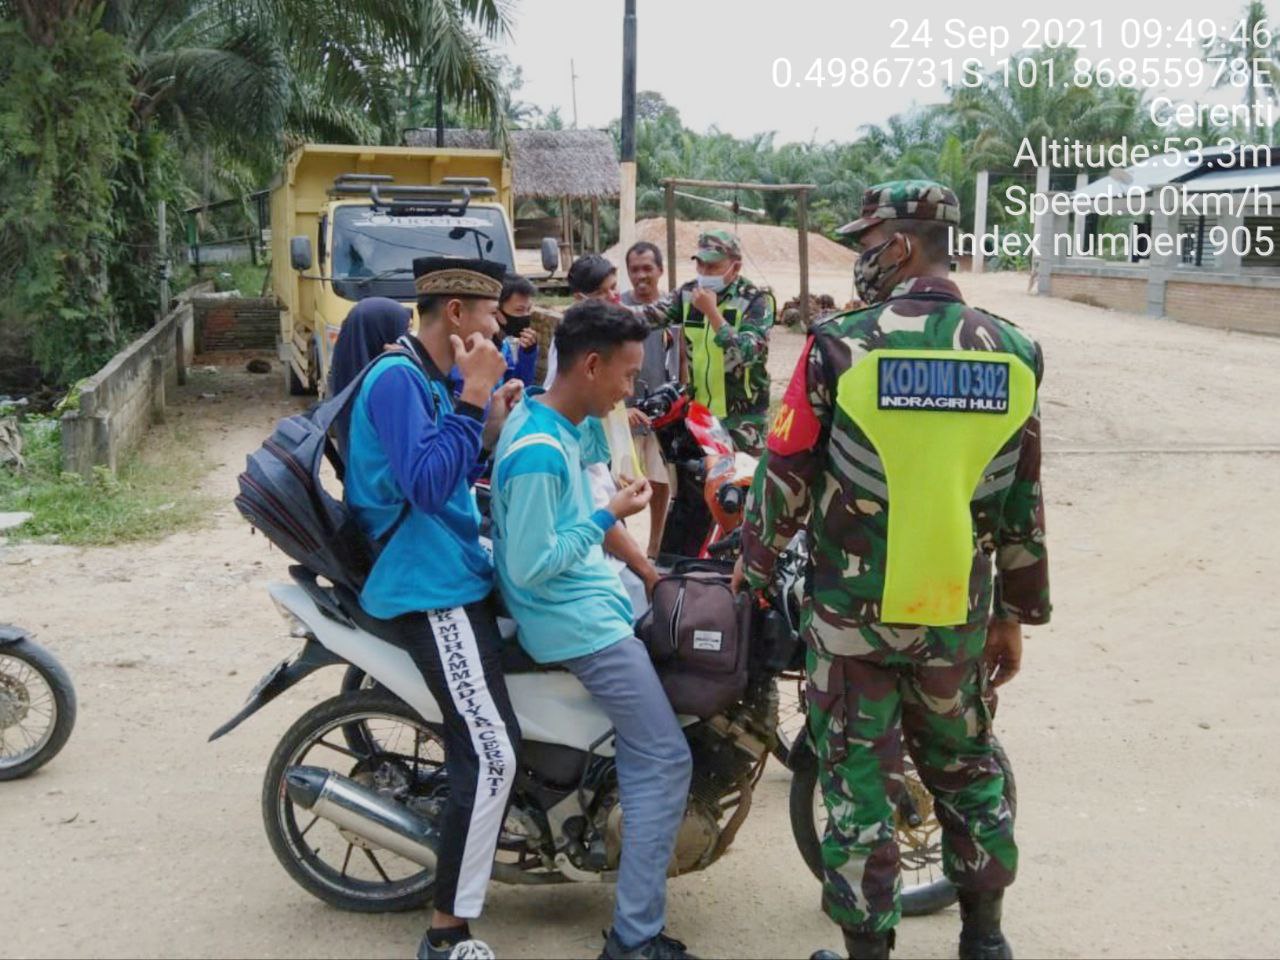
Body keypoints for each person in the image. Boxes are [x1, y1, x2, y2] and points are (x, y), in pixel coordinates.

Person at [735, 181, 1050, 960]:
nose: (864, 260)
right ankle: (984, 940)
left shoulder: (841, 344)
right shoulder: (1014, 351)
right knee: (967, 772)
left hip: (854, 622)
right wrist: (1015, 614)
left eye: (869, 243)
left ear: (903, 245)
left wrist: (755, 566)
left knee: (856, 787)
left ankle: (868, 953)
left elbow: (785, 472)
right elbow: (1021, 499)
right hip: (954, 613)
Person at [490, 299, 695, 960]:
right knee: (665, 757)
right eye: (627, 376)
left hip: (594, 602)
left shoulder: (556, 421)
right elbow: (530, 563)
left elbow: (587, 488)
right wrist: (605, 514)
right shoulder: (536, 452)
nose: (630, 390)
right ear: (590, 363)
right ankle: (634, 939)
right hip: (574, 623)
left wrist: (642, 562)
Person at [342, 256, 524, 960]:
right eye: (488, 319)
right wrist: (475, 400)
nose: (496, 331)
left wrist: (483, 426)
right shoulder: (396, 378)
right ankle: (446, 934)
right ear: (456, 313)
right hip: (425, 583)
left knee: (494, 739)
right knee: (491, 751)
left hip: (446, 562)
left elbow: (437, 471)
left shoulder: (420, 377)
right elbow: (421, 487)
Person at [548, 254, 662, 601]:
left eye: (616, 289)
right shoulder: (552, 446)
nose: (629, 392)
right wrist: (646, 572)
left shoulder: (584, 414)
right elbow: (596, 515)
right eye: (604, 293)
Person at [626, 230, 774, 457]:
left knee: (739, 486)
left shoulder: (754, 300)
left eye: (713, 267)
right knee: (701, 483)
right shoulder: (688, 293)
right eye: (701, 265)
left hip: (743, 420)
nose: (705, 273)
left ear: (735, 267)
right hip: (700, 414)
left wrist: (712, 313)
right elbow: (650, 315)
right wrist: (605, 310)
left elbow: (749, 352)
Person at [621, 242, 679, 558]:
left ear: (660, 270)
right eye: (634, 269)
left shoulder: (673, 309)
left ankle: (655, 546)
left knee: (661, 481)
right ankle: (624, 548)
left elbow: (682, 357)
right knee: (622, 481)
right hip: (625, 410)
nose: (641, 275)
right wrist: (621, 408)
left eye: (647, 268)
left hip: (664, 413)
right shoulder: (619, 308)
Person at [328, 297, 412, 459]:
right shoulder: (385, 383)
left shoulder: (349, 378)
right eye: (405, 330)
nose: (407, 338)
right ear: (381, 333)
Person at [448, 274, 540, 398]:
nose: (525, 316)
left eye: (528, 310)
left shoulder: (508, 345)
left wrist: (527, 354)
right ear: (497, 311)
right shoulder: (471, 349)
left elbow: (518, 388)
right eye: (519, 310)